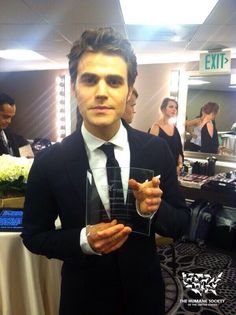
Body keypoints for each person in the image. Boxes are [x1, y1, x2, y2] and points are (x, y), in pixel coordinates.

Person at [21, 27, 190, 315]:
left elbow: (181, 224)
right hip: (83, 299)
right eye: (89, 80)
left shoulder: (156, 150)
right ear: (74, 86)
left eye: (114, 81)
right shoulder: (49, 162)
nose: (101, 92)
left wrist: (153, 209)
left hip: (145, 295)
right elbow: (34, 235)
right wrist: (83, 240)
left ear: (128, 90)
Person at [149, 97, 184, 175]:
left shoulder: (175, 128)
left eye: (176, 107)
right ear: (163, 109)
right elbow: (151, 151)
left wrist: (180, 165)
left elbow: (179, 150)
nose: (174, 109)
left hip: (174, 170)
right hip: (160, 170)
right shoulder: (156, 127)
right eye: (171, 107)